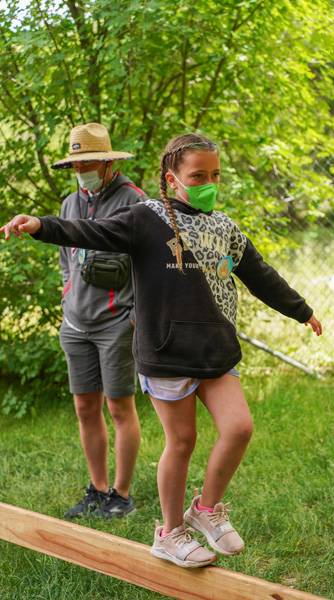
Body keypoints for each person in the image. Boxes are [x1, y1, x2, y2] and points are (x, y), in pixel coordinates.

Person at [1, 132, 322, 567]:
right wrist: (41, 225)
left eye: (215, 175)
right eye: (198, 176)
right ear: (173, 179)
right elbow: (91, 231)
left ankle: (205, 509)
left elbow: (259, 273)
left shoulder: (224, 227)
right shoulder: (145, 219)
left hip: (215, 351)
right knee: (182, 441)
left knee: (239, 428)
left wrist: (301, 310)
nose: (208, 183)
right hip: (167, 353)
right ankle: (170, 533)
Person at [52, 122, 145, 519]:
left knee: (120, 408)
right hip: (76, 324)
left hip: (115, 324)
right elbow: (65, 260)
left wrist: (135, 314)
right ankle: (97, 488)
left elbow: (148, 265)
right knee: (85, 407)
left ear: (108, 163)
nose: (81, 171)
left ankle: (120, 496)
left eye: (87, 163)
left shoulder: (134, 202)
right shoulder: (69, 204)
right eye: (75, 164)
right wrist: (67, 291)